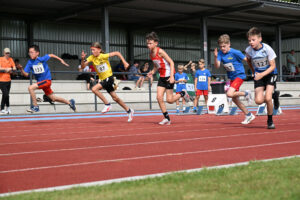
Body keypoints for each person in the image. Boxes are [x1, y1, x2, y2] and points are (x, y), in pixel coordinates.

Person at [81, 42, 134, 122]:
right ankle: (129, 110)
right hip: (103, 80)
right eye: (91, 50)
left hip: (109, 78)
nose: (92, 52)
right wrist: (82, 59)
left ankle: (107, 104)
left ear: (99, 50)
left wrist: (124, 62)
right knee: (115, 98)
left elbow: (117, 53)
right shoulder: (91, 57)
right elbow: (83, 66)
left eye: (93, 50)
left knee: (94, 89)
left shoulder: (103, 56)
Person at [17, 45, 76, 113]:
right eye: (29, 52)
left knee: (30, 88)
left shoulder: (41, 59)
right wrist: (21, 69)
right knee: (53, 98)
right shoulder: (30, 62)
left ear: (37, 53)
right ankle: (70, 102)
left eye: (32, 52)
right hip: (42, 83)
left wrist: (61, 60)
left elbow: (51, 55)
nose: (30, 54)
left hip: (47, 81)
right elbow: (26, 74)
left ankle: (36, 106)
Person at [146, 32, 189, 125]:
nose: (148, 45)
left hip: (169, 77)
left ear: (156, 43)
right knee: (159, 97)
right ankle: (167, 118)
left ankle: (183, 93)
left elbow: (171, 62)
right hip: (161, 77)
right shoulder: (151, 54)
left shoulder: (160, 51)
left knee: (169, 100)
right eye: (147, 43)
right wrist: (152, 72)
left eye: (150, 43)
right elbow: (156, 65)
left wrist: (172, 76)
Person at [214, 34, 255, 125]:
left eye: (224, 46)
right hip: (231, 77)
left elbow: (248, 60)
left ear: (229, 44)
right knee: (234, 99)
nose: (222, 48)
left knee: (229, 94)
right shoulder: (220, 53)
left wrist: (254, 70)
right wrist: (216, 57)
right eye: (221, 47)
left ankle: (246, 93)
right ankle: (248, 115)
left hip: (239, 75)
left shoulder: (236, 52)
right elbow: (217, 66)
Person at [245, 27, 280, 129]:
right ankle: (275, 96)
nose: (251, 42)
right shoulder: (248, 50)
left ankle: (270, 121)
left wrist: (262, 74)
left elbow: (273, 66)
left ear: (260, 39)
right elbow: (248, 60)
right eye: (249, 40)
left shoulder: (267, 49)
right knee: (259, 101)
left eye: (253, 40)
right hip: (259, 75)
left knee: (267, 98)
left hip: (270, 74)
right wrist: (253, 71)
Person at [0, 48, 16, 114]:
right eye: (6, 53)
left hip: (8, 80)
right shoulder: (0, 59)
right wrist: (6, 69)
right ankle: (2, 108)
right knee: (6, 94)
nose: (7, 54)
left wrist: (10, 69)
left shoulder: (11, 59)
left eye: (8, 53)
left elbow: (14, 68)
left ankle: (7, 108)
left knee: (6, 95)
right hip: (1, 80)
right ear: (4, 53)